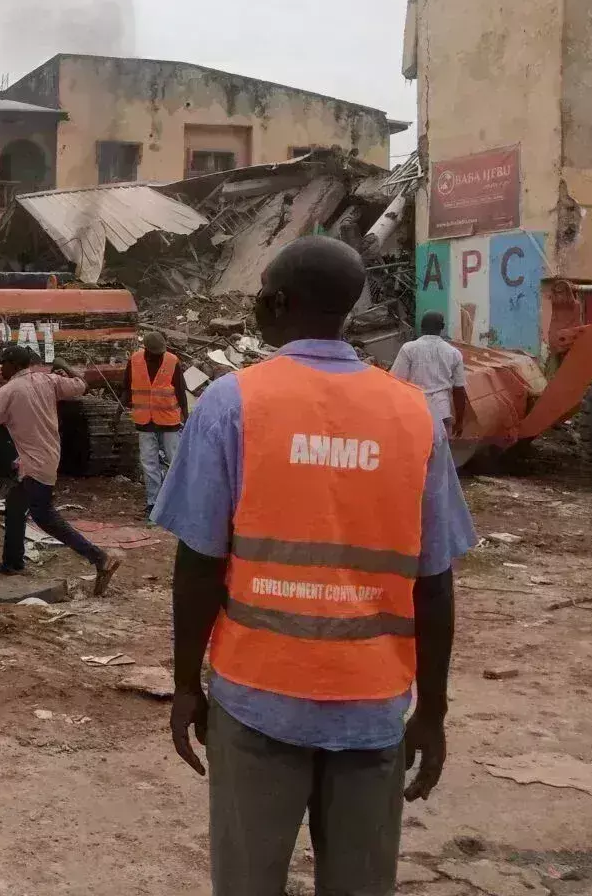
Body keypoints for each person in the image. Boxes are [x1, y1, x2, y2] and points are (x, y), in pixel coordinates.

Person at [154, 235, 475, 896]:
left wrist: (188, 684)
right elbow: (434, 583)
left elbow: (198, 566)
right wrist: (432, 713)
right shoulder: (413, 415)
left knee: (247, 882)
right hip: (372, 708)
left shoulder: (231, 403)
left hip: (256, 696)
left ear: (274, 302)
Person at [0, 344, 122, 593]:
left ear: (14, 365)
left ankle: (100, 558)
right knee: (15, 506)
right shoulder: (48, 381)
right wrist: (64, 366)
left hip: (34, 463)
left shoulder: (7, 392)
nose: (0, 369)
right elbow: (81, 384)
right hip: (46, 456)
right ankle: (12, 562)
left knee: (44, 516)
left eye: (3, 364)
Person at [124, 331, 188, 514]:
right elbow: (126, 388)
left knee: (174, 461)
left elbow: (181, 392)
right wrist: (119, 409)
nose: (160, 355)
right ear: (147, 350)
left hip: (169, 421)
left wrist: (186, 416)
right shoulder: (134, 361)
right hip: (145, 421)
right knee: (149, 463)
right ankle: (153, 502)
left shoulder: (172, 361)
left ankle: (175, 500)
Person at [392, 311, 470, 437]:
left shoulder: (409, 349)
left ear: (421, 327)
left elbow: (396, 383)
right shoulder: (454, 353)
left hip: (415, 413)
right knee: (441, 454)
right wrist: (459, 421)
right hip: (442, 414)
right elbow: (459, 390)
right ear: (442, 328)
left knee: (418, 455)